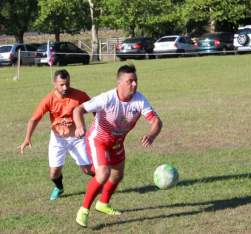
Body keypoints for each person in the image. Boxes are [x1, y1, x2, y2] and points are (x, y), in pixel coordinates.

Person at [73, 64, 162, 227]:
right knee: (103, 174)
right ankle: (83, 210)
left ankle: (103, 204)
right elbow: (78, 110)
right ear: (119, 83)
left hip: (117, 143)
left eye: (136, 81)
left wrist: (151, 135)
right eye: (130, 81)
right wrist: (79, 126)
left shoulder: (140, 100)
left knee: (117, 175)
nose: (134, 84)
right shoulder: (106, 98)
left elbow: (157, 121)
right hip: (98, 140)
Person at [19, 69, 93, 200]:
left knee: (88, 170)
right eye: (61, 84)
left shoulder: (79, 95)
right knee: (53, 174)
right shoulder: (49, 99)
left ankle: (105, 183)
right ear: (54, 83)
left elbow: (95, 107)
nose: (65, 87)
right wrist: (27, 138)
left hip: (77, 139)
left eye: (67, 84)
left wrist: (97, 124)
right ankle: (59, 187)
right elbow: (34, 119)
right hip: (58, 139)